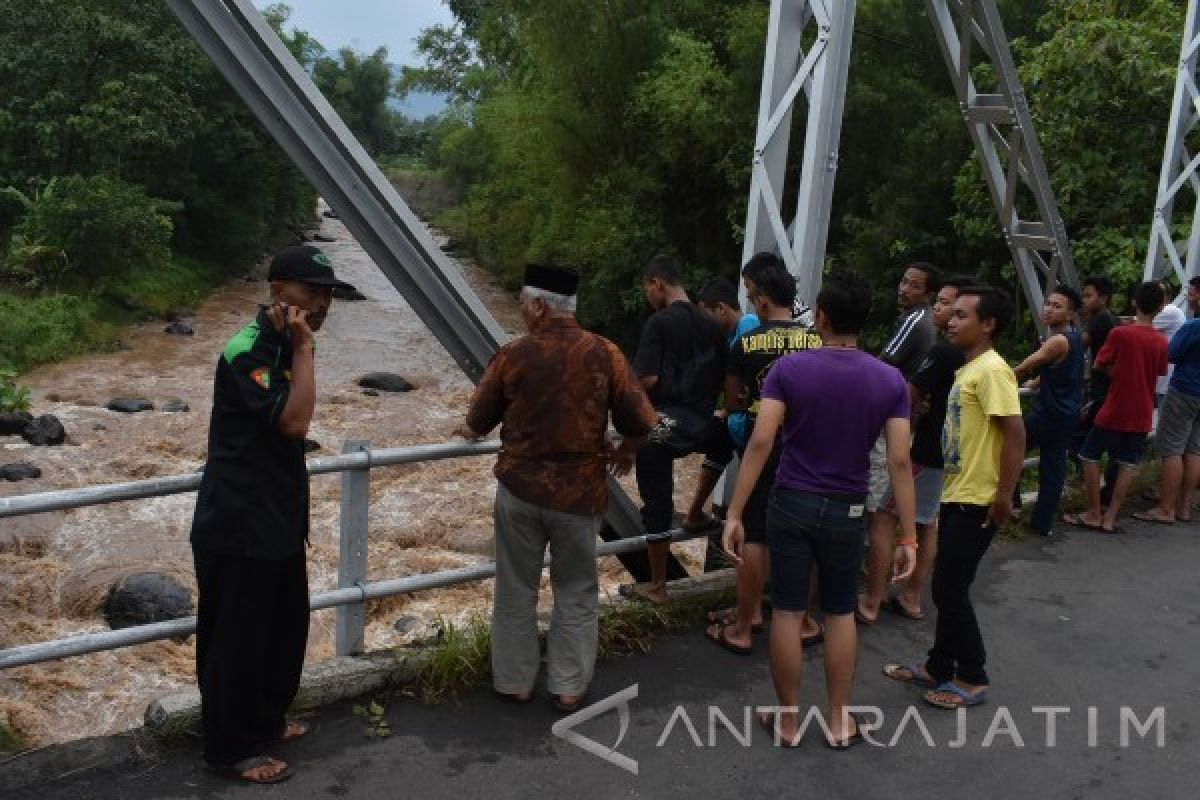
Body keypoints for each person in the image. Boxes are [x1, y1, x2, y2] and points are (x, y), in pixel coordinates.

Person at [722, 271, 916, 749]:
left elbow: (762, 441)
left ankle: (788, 722)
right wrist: (908, 535)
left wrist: (736, 513)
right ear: (865, 321)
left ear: (822, 318)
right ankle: (838, 721)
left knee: (787, 613)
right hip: (848, 509)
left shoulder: (790, 371)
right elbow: (898, 460)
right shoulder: (890, 380)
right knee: (839, 612)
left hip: (789, 502)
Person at [190, 244, 355, 784]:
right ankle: (231, 749)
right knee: (236, 638)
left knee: (282, 629)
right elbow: (294, 423)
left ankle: (266, 720)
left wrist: (301, 345)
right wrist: (305, 348)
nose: (323, 302)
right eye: (313, 291)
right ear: (278, 290)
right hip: (239, 519)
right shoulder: (250, 348)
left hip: (278, 515)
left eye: (329, 294)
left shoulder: (287, 343)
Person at [457, 264, 656, 713]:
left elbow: (477, 421)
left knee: (515, 589)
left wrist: (467, 430)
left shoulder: (513, 354)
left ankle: (514, 683)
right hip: (580, 496)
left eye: (526, 304)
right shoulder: (606, 353)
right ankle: (568, 686)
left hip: (520, 492)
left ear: (540, 305)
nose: (524, 313)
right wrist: (626, 451)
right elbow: (643, 420)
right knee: (577, 589)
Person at [884, 285, 1025, 711]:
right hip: (959, 490)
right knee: (947, 585)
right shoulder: (969, 369)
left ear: (988, 325)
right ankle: (938, 665)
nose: (950, 321)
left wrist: (1003, 496)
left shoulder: (992, 371)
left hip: (979, 498)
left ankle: (973, 675)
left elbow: (1015, 433)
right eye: (952, 314)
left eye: (962, 315)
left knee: (950, 588)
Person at [703, 252, 822, 655]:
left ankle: (746, 620)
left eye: (754, 297)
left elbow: (734, 400)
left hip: (762, 444)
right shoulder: (817, 342)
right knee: (803, 536)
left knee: (753, 533)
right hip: (807, 447)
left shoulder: (748, 343)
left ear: (765, 301)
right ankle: (803, 620)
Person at [857, 275, 973, 624]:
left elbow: (909, 394)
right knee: (928, 523)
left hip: (926, 450)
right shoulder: (982, 358)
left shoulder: (942, 352)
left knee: (882, 517)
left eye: (950, 306)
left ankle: (873, 600)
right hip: (955, 455)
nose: (943, 313)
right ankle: (911, 597)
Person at [627, 255, 727, 604]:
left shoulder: (659, 323)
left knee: (656, 502)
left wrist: (628, 434)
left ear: (657, 283)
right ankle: (698, 509)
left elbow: (646, 379)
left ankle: (658, 586)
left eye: (647, 288)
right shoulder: (714, 324)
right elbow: (727, 380)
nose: (647, 295)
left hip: (664, 426)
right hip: (704, 423)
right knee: (725, 440)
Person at [1065, 282, 1168, 534]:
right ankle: (1110, 517)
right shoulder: (1160, 340)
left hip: (1115, 406)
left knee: (1088, 455)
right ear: (1161, 307)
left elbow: (1100, 364)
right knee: (1127, 464)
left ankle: (1093, 511)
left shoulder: (1121, 334)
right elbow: (1160, 371)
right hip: (1143, 409)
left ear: (1134, 302)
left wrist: (1118, 372)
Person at [683, 277, 760, 537]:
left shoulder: (748, 325)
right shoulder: (732, 334)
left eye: (707, 316)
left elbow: (750, 377)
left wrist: (730, 409)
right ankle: (694, 513)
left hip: (750, 426)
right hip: (738, 425)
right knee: (718, 448)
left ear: (722, 309)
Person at [866, 263, 939, 516]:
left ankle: (870, 543)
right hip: (906, 414)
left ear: (928, 295)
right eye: (904, 281)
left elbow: (883, 364)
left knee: (878, 483)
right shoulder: (924, 319)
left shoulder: (916, 321)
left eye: (914, 286)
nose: (905, 289)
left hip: (894, 414)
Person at [1012, 286, 1085, 537]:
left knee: (1009, 448)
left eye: (1057, 306)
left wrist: (996, 382)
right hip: (1068, 411)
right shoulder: (1074, 337)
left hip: (1049, 413)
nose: (1049, 309)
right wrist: (1038, 382)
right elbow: (1062, 372)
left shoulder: (1057, 340)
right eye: (1048, 304)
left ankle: (1012, 505)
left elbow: (1025, 366)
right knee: (1053, 466)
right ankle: (1042, 523)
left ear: (1070, 313)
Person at [1134, 311, 1200, 523]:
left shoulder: (1194, 326)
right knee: (1194, 449)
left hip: (1185, 390)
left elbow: (1170, 353)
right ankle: (1184, 507)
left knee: (1172, 448)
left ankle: (1165, 509)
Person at [1076, 275, 1121, 502]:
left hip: (1101, 390)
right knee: (1114, 445)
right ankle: (1104, 493)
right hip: (1113, 389)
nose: (1084, 301)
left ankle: (1087, 489)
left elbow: (1078, 346)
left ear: (1102, 298)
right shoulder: (1113, 319)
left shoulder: (1099, 320)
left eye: (1088, 296)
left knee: (1080, 436)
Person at [1154, 279, 1186, 408]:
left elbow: (1141, 324)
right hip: (1166, 376)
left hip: (1167, 377)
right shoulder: (1172, 311)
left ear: (1166, 296)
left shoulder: (1169, 311)